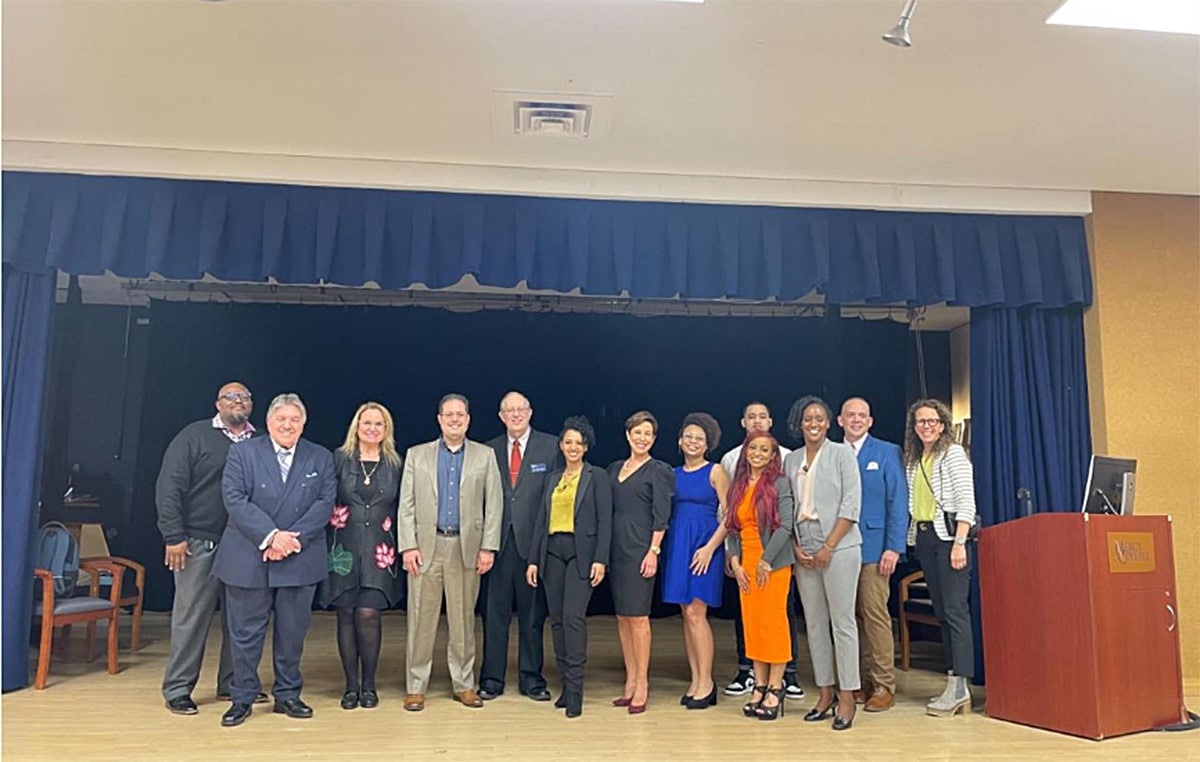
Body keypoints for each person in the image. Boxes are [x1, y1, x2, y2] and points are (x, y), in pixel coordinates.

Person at [214, 393, 336, 727]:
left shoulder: (320, 457)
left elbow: (325, 503)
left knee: (292, 632)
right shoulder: (242, 453)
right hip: (248, 556)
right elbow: (235, 499)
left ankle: (288, 695)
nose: (287, 425)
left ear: (303, 423)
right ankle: (241, 697)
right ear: (268, 423)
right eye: (281, 419)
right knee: (244, 633)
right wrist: (271, 537)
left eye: (294, 419)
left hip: (299, 555)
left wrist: (290, 541)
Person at [157, 382, 264, 715]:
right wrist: (173, 535)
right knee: (191, 618)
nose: (238, 401)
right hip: (198, 541)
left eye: (245, 397)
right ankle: (178, 688)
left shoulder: (261, 441)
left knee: (241, 619)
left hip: (245, 543)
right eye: (231, 396)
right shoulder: (193, 436)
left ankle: (234, 684)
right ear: (217, 403)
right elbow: (169, 487)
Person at [398, 393, 503, 712]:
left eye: (460, 414)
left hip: (466, 548)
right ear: (439, 419)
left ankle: (464, 684)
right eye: (449, 414)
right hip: (426, 547)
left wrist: (488, 546)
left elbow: (494, 504)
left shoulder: (484, 456)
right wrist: (408, 545)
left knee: (463, 620)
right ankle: (416, 687)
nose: (455, 419)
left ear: (468, 419)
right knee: (420, 619)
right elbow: (407, 504)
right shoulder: (417, 455)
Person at [318, 402, 403, 711]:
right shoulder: (338, 459)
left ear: (386, 430)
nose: (372, 428)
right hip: (343, 548)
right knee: (346, 615)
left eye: (379, 424)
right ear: (356, 426)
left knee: (368, 615)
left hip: (380, 550)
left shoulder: (396, 463)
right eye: (366, 423)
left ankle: (369, 684)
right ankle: (350, 685)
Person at [526, 416, 613, 718]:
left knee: (574, 618)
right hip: (551, 553)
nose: (573, 447)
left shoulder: (597, 476)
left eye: (579, 443)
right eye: (568, 442)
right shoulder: (552, 478)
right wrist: (534, 559)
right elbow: (540, 521)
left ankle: (576, 692)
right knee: (558, 620)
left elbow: (605, 521)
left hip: (581, 554)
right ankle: (565, 687)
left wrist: (600, 559)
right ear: (560, 446)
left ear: (586, 447)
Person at [785, 395, 862, 732]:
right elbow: (786, 506)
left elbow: (851, 503)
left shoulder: (842, 454)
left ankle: (847, 696)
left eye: (819, 418)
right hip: (803, 542)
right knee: (814, 622)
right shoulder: (792, 460)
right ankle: (825, 692)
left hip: (840, 543)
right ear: (799, 424)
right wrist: (795, 545)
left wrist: (829, 545)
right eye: (807, 419)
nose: (813, 423)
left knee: (842, 623)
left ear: (829, 423)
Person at [480, 391, 562, 702]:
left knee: (532, 616)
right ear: (501, 416)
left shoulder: (551, 446)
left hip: (534, 545)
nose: (515, 415)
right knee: (494, 614)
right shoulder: (487, 449)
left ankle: (531, 679)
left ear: (530, 413)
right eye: (509, 411)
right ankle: (491, 679)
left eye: (521, 409)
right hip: (497, 544)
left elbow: (555, 498)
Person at [719, 402, 803, 702]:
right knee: (753, 624)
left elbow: (786, 526)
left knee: (774, 623)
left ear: (772, 456)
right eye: (753, 449)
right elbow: (731, 526)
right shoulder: (738, 485)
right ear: (746, 452)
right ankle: (759, 684)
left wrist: (766, 561)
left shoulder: (780, 483)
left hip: (773, 563)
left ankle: (776, 686)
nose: (757, 454)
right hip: (746, 563)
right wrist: (736, 563)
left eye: (764, 451)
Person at [903, 398, 977, 718]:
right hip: (925, 538)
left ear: (944, 425)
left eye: (933, 421)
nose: (927, 426)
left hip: (950, 540)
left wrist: (960, 542)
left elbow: (966, 501)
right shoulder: (914, 458)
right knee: (943, 613)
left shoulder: (953, 453)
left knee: (956, 612)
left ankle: (960, 688)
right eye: (921, 422)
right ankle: (952, 682)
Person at [839, 397, 908, 712]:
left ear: (870, 421)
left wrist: (894, 546)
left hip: (874, 548)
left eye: (861, 415)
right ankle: (858, 682)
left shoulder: (886, 451)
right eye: (850, 415)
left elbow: (898, 501)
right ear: (840, 420)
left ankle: (883, 684)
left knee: (875, 615)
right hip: (838, 548)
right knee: (848, 618)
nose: (856, 419)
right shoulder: (832, 453)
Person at [661, 412, 729, 710]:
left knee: (697, 613)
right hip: (679, 546)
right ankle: (695, 679)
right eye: (688, 436)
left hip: (704, 547)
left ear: (707, 444)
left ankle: (708, 683)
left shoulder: (715, 472)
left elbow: (729, 517)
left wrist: (710, 549)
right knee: (686, 614)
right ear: (679, 441)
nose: (692, 441)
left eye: (698, 438)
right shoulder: (672, 474)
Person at [607, 410, 673, 714]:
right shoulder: (613, 468)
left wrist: (654, 551)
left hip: (641, 550)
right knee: (622, 618)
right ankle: (630, 680)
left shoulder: (658, 470)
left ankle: (643, 684)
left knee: (639, 618)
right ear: (627, 435)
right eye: (637, 432)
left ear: (654, 438)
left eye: (648, 434)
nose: (642, 438)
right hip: (616, 551)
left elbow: (662, 516)